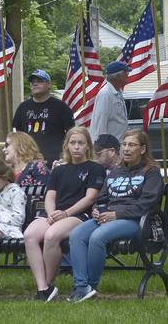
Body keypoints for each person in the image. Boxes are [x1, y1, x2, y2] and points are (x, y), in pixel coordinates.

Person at [67, 130, 164, 302]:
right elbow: (102, 197)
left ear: (142, 149)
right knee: (77, 234)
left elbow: (146, 204)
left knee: (98, 237)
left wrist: (116, 214)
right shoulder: (116, 171)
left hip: (136, 221)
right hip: (108, 218)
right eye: (124, 144)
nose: (126, 149)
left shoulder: (151, 172)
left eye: (132, 145)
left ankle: (92, 286)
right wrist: (97, 209)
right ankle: (82, 287)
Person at [24, 126, 105, 302]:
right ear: (66, 145)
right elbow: (50, 196)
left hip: (79, 216)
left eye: (81, 143)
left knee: (51, 235)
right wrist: (52, 213)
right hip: (56, 214)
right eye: (73, 143)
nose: (76, 146)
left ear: (87, 147)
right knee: (29, 235)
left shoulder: (95, 168)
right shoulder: (59, 170)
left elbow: (90, 198)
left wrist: (65, 213)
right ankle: (42, 288)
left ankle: (47, 284)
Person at [12, 69, 75, 165]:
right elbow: (16, 135)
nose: (35, 84)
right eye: (32, 82)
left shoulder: (61, 107)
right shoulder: (23, 107)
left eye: (39, 81)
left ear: (49, 85)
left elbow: (71, 133)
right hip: (28, 161)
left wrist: (65, 156)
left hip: (54, 162)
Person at [89, 61, 130, 142]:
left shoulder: (117, 92)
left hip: (117, 145)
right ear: (118, 76)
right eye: (126, 74)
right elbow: (100, 123)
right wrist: (102, 147)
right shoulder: (105, 94)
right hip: (108, 147)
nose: (127, 76)